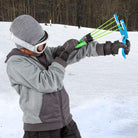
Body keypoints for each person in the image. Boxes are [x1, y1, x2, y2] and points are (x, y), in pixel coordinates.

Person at [5, 15, 130, 138]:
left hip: (65, 121)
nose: (43, 49)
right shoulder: (16, 63)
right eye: (39, 46)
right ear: (24, 45)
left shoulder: (44, 52)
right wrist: (62, 57)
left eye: (44, 43)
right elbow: (48, 83)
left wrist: (109, 48)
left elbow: (74, 53)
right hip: (41, 130)